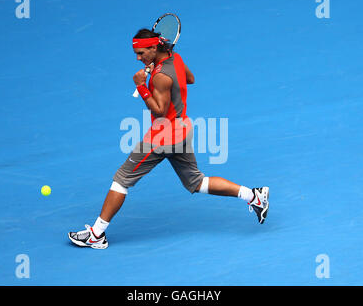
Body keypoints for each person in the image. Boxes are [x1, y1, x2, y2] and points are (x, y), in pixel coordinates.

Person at [68, 29, 270, 249]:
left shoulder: (161, 76)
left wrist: (141, 86)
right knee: (197, 182)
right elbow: (190, 79)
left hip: (162, 137)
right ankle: (253, 195)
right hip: (182, 130)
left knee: (121, 180)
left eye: (141, 53)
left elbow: (160, 110)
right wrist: (157, 69)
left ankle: (96, 235)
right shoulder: (176, 59)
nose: (138, 57)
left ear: (154, 48)